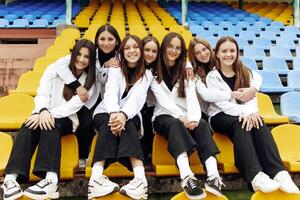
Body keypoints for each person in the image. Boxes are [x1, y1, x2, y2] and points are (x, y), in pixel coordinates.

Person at [1, 39, 96, 200]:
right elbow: (42, 93)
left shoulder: (89, 81)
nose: (81, 59)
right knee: (28, 125)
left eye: (87, 56)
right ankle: (10, 180)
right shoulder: (54, 68)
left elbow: (72, 107)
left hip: (66, 119)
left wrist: (48, 114)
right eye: (79, 54)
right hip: (42, 112)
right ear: (72, 54)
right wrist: (42, 111)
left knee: (51, 125)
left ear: (91, 60)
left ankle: (50, 180)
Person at [207, 36, 300, 194]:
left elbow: (252, 96)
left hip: (243, 114)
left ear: (237, 52)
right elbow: (222, 104)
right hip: (220, 116)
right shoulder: (212, 76)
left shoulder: (244, 72)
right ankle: (255, 177)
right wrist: (246, 113)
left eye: (232, 51)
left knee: (258, 121)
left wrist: (251, 113)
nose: (228, 54)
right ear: (216, 54)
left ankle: (279, 173)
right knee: (241, 123)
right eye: (224, 51)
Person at [151, 32, 222, 199]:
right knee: (174, 124)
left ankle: (214, 176)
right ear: (163, 48)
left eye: (178, 48)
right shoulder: (153, 72)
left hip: (187, 114)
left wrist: (194, 119)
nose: (174, 50)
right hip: (163, 116)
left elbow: (191, 96)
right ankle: (187, 177)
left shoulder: (187, 71)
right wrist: (181, 118)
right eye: (170, 46)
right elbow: (163, 102)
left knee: (203, 124)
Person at [88, 35, 153, 200]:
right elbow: (109, 92)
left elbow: (137, 99)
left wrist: (123, 115)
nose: (132, 51)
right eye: (127, 48)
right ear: (122, 52)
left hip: (130, 113)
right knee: (108, 123)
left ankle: (140, 180)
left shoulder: (147, 74)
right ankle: (95, 180)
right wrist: (115, 114)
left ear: (140, 50)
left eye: (135, 47)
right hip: (106, 111)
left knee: (130, 124)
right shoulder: (115, 69)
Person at [52, 25, 121, 167]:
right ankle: (82, 156)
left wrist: (106, 68)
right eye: (102, 39)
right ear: (97, 40)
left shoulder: (120, 57)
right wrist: (77, 85)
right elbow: (59, 65)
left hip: (112, 98)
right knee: (86, 124)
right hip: (90, 97)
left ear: (117, 41)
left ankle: (111, 159)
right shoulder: (89, 52)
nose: (106, 43)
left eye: (110, 39)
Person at [188, 36, 260, 121]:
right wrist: (234, 94)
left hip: (230, 108)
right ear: (193, 56)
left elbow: (256, 76)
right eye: (198, 53)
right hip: (207, 112)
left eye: (204, 49)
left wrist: (253, 89)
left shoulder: (222, 60)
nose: (203, 54)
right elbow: (206, 95)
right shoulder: (195, 73)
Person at [140, 36, 160, 162]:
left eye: (154, 51)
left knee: (150, 125)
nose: (150, 54)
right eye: (147, 50)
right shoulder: (133, 65)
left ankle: (150, 155)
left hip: (152, 103)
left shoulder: (158, 67)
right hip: (137, 105)